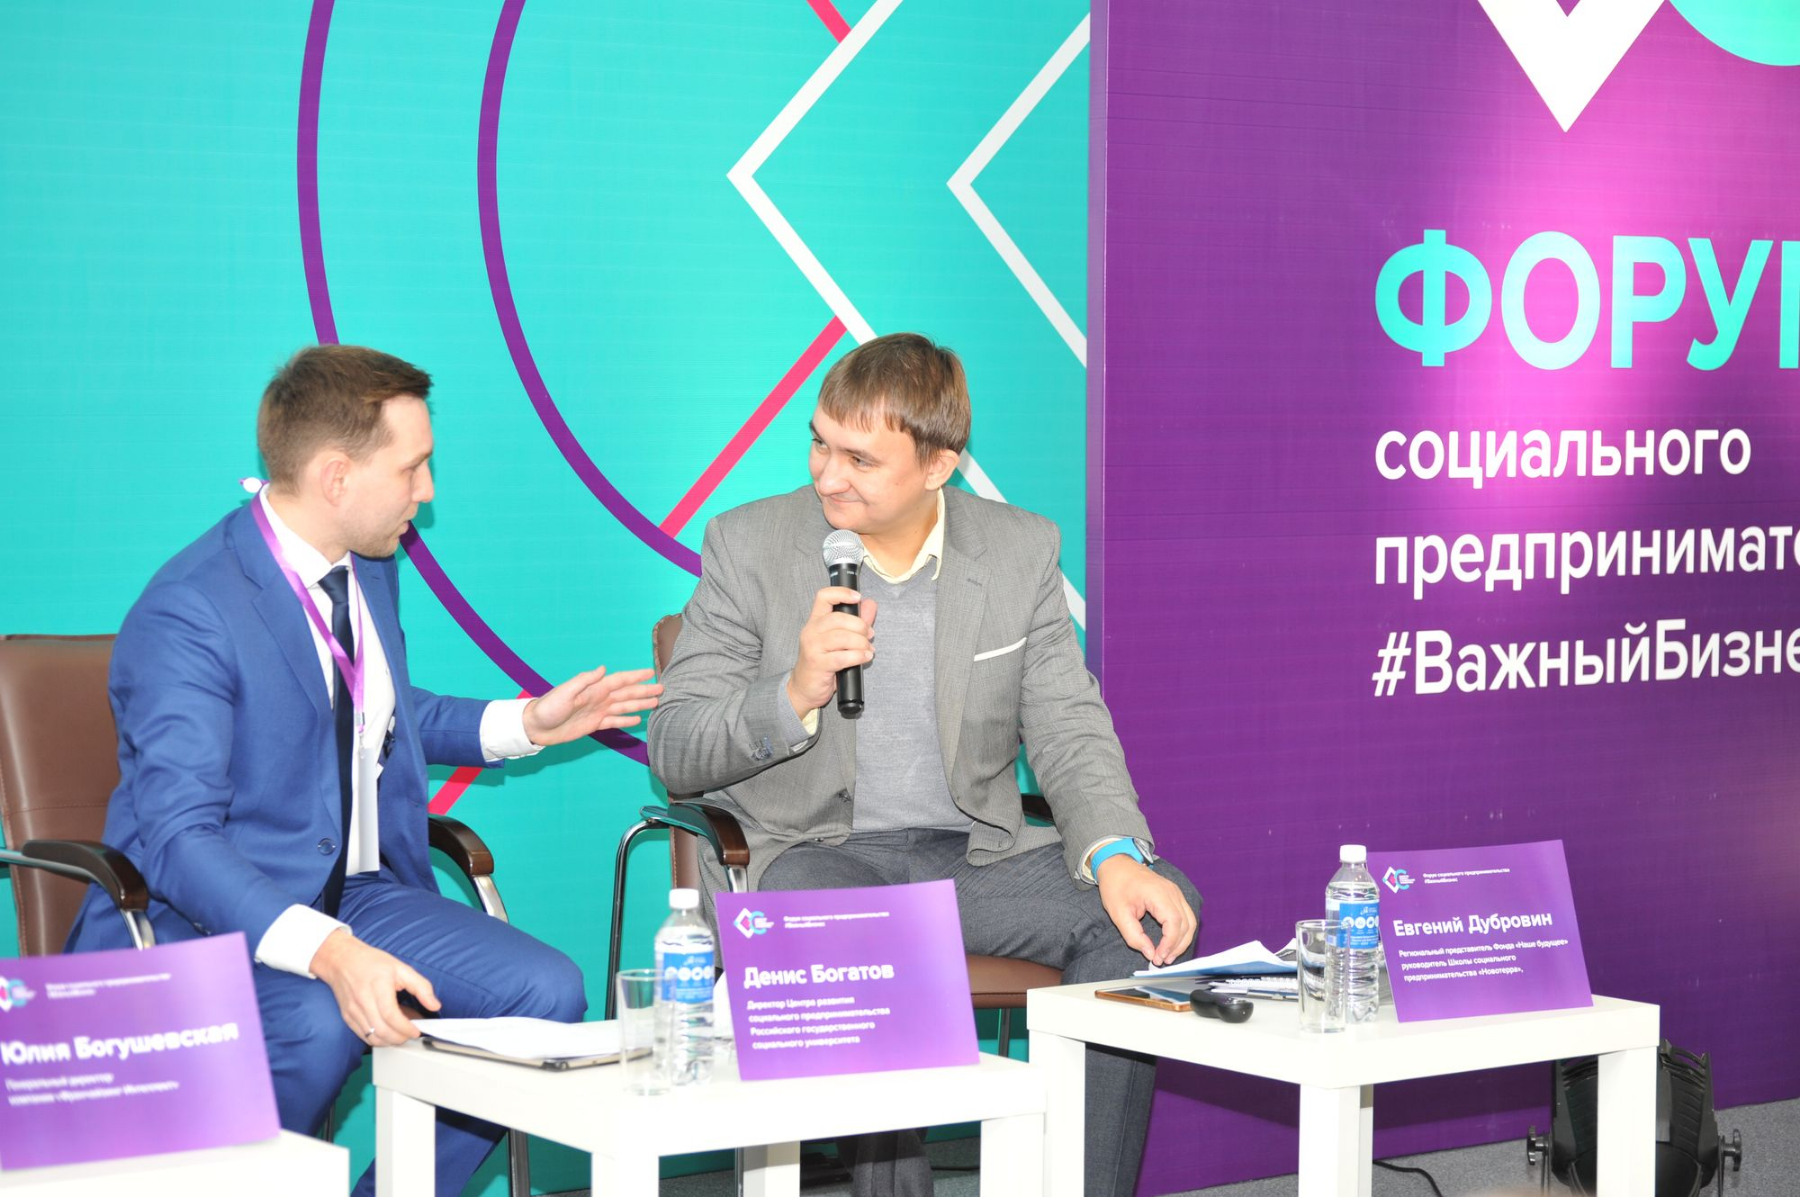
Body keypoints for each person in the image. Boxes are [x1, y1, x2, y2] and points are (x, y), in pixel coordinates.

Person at [65, 344, 662, 1197]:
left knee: (544, 990)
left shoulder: (367, 561)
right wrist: (331, 951)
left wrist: (525, 723)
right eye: (412, 468)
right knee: (316, 1020)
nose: (428, 491)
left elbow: (368, 705)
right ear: (336, 477)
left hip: (352, 889)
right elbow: (178, 840)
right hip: (200, 914)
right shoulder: (190, 611)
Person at [648, 332, 1200, 1197]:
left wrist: (1116, 854)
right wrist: (792, 691)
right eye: (820, 442)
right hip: (812, 857)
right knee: (850, 932)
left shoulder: (1019, 550)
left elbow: (1067, 724)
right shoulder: (749, 544)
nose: (827, 474)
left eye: (860, 459)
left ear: (940, 465)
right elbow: (675, 746)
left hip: (968, 858)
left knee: (1149, 909)